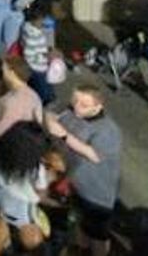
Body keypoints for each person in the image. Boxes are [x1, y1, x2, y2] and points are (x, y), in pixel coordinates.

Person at [48, 84, 122, 256]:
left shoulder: (108, 130)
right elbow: (53, 113)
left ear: (98, 106)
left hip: (96, 193)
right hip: (74, 183)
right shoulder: (71, 110)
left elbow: (94, 155)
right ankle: (80, 249)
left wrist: (63, 135)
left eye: (84, 104)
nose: (76, 106)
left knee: (98, 235)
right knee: (80, 225)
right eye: (75, 100)